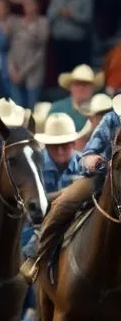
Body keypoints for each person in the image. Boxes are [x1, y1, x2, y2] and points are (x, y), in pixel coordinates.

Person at [24, 95, 121, 281]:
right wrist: (91, 160)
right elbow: (87, 155)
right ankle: (36, 254)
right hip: (103, 178)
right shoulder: (112, 120)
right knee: (64, 202)